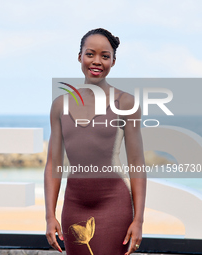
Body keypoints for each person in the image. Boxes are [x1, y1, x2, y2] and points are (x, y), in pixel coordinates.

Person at [44, 28, 147, 255]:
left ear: (113, 61)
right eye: (90, 54)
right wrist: (49, 215)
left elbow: (137, 164)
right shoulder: (60, 105)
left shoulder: (126, 103)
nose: (97, 61)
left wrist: (138, 220)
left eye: (105, 56)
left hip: (114, 205)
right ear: (79, 56)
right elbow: (53, 164)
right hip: (73, 206)